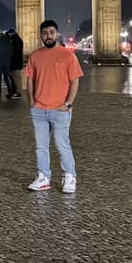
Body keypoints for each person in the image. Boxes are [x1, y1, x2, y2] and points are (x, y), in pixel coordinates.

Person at [24, 19, 83, 193]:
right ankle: (43, 177)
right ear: (41, 35)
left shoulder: (67, 55)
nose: (48, 36)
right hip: (39, 109)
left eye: (51, 32)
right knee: (40, 146)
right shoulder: (35, 56)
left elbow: (75, 81)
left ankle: (69, 176)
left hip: (60, 109)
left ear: (57, 34)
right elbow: (29, 80)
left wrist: (69, 103)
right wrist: (31, 102)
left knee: (62, 144)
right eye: (44, 33)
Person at [0, 30, 13, 100]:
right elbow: (11, 53)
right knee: (6, 78)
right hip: (7, 62)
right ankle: (10, 93)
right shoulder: (9, 43)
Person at [7, 26, 24, 98]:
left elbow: (13, 52)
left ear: (11, 34)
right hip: (18, 62)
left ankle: (18, 93)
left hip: (15, 62)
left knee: (17, 78)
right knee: (15, 78)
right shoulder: (18, 39)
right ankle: (15, 92)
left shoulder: (14, 40)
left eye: (9, 34)